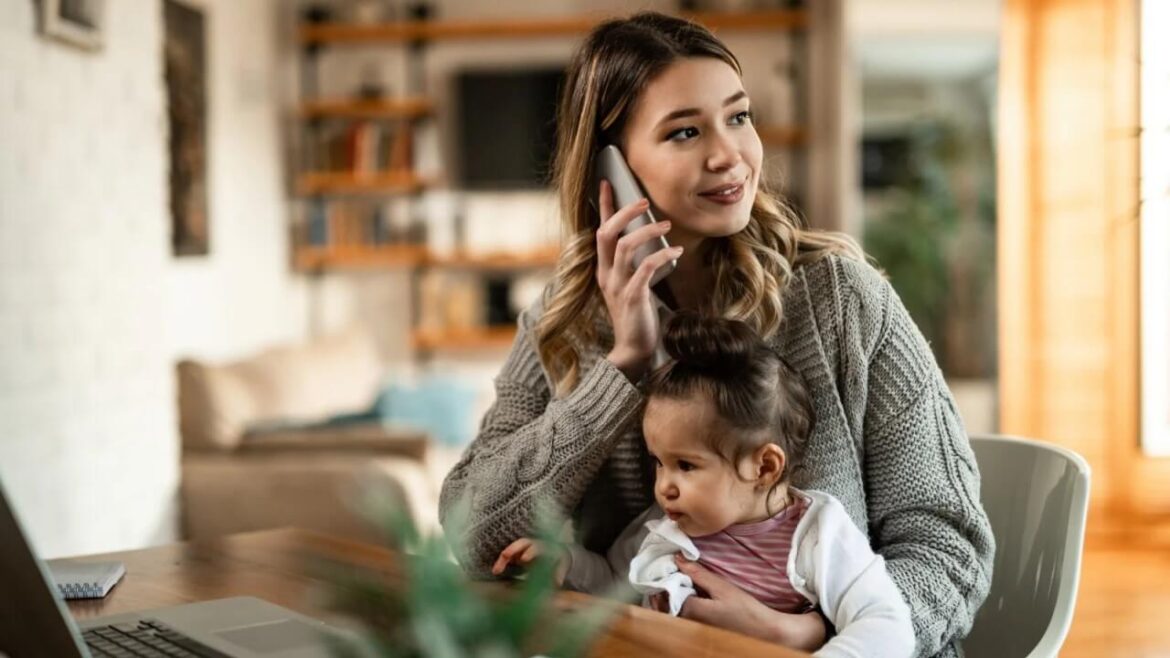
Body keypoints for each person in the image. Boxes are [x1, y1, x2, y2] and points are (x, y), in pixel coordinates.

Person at [439, 11, 994, 656]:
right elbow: (475, 538)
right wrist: (624, 366)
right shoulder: (563, 323)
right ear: (611, 170)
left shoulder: (841, 298)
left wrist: (811, 634)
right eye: (683, 132)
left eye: (738, 116)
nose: (728, 154)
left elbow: (948, 545)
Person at [493, 313, 916, 658]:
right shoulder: (666, 526)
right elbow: (615, 583)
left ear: (764, 466)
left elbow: (885, 623)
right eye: (659, 463)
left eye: (686, 466)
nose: (664, 486)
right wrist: (566, 563)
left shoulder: (818, 534)